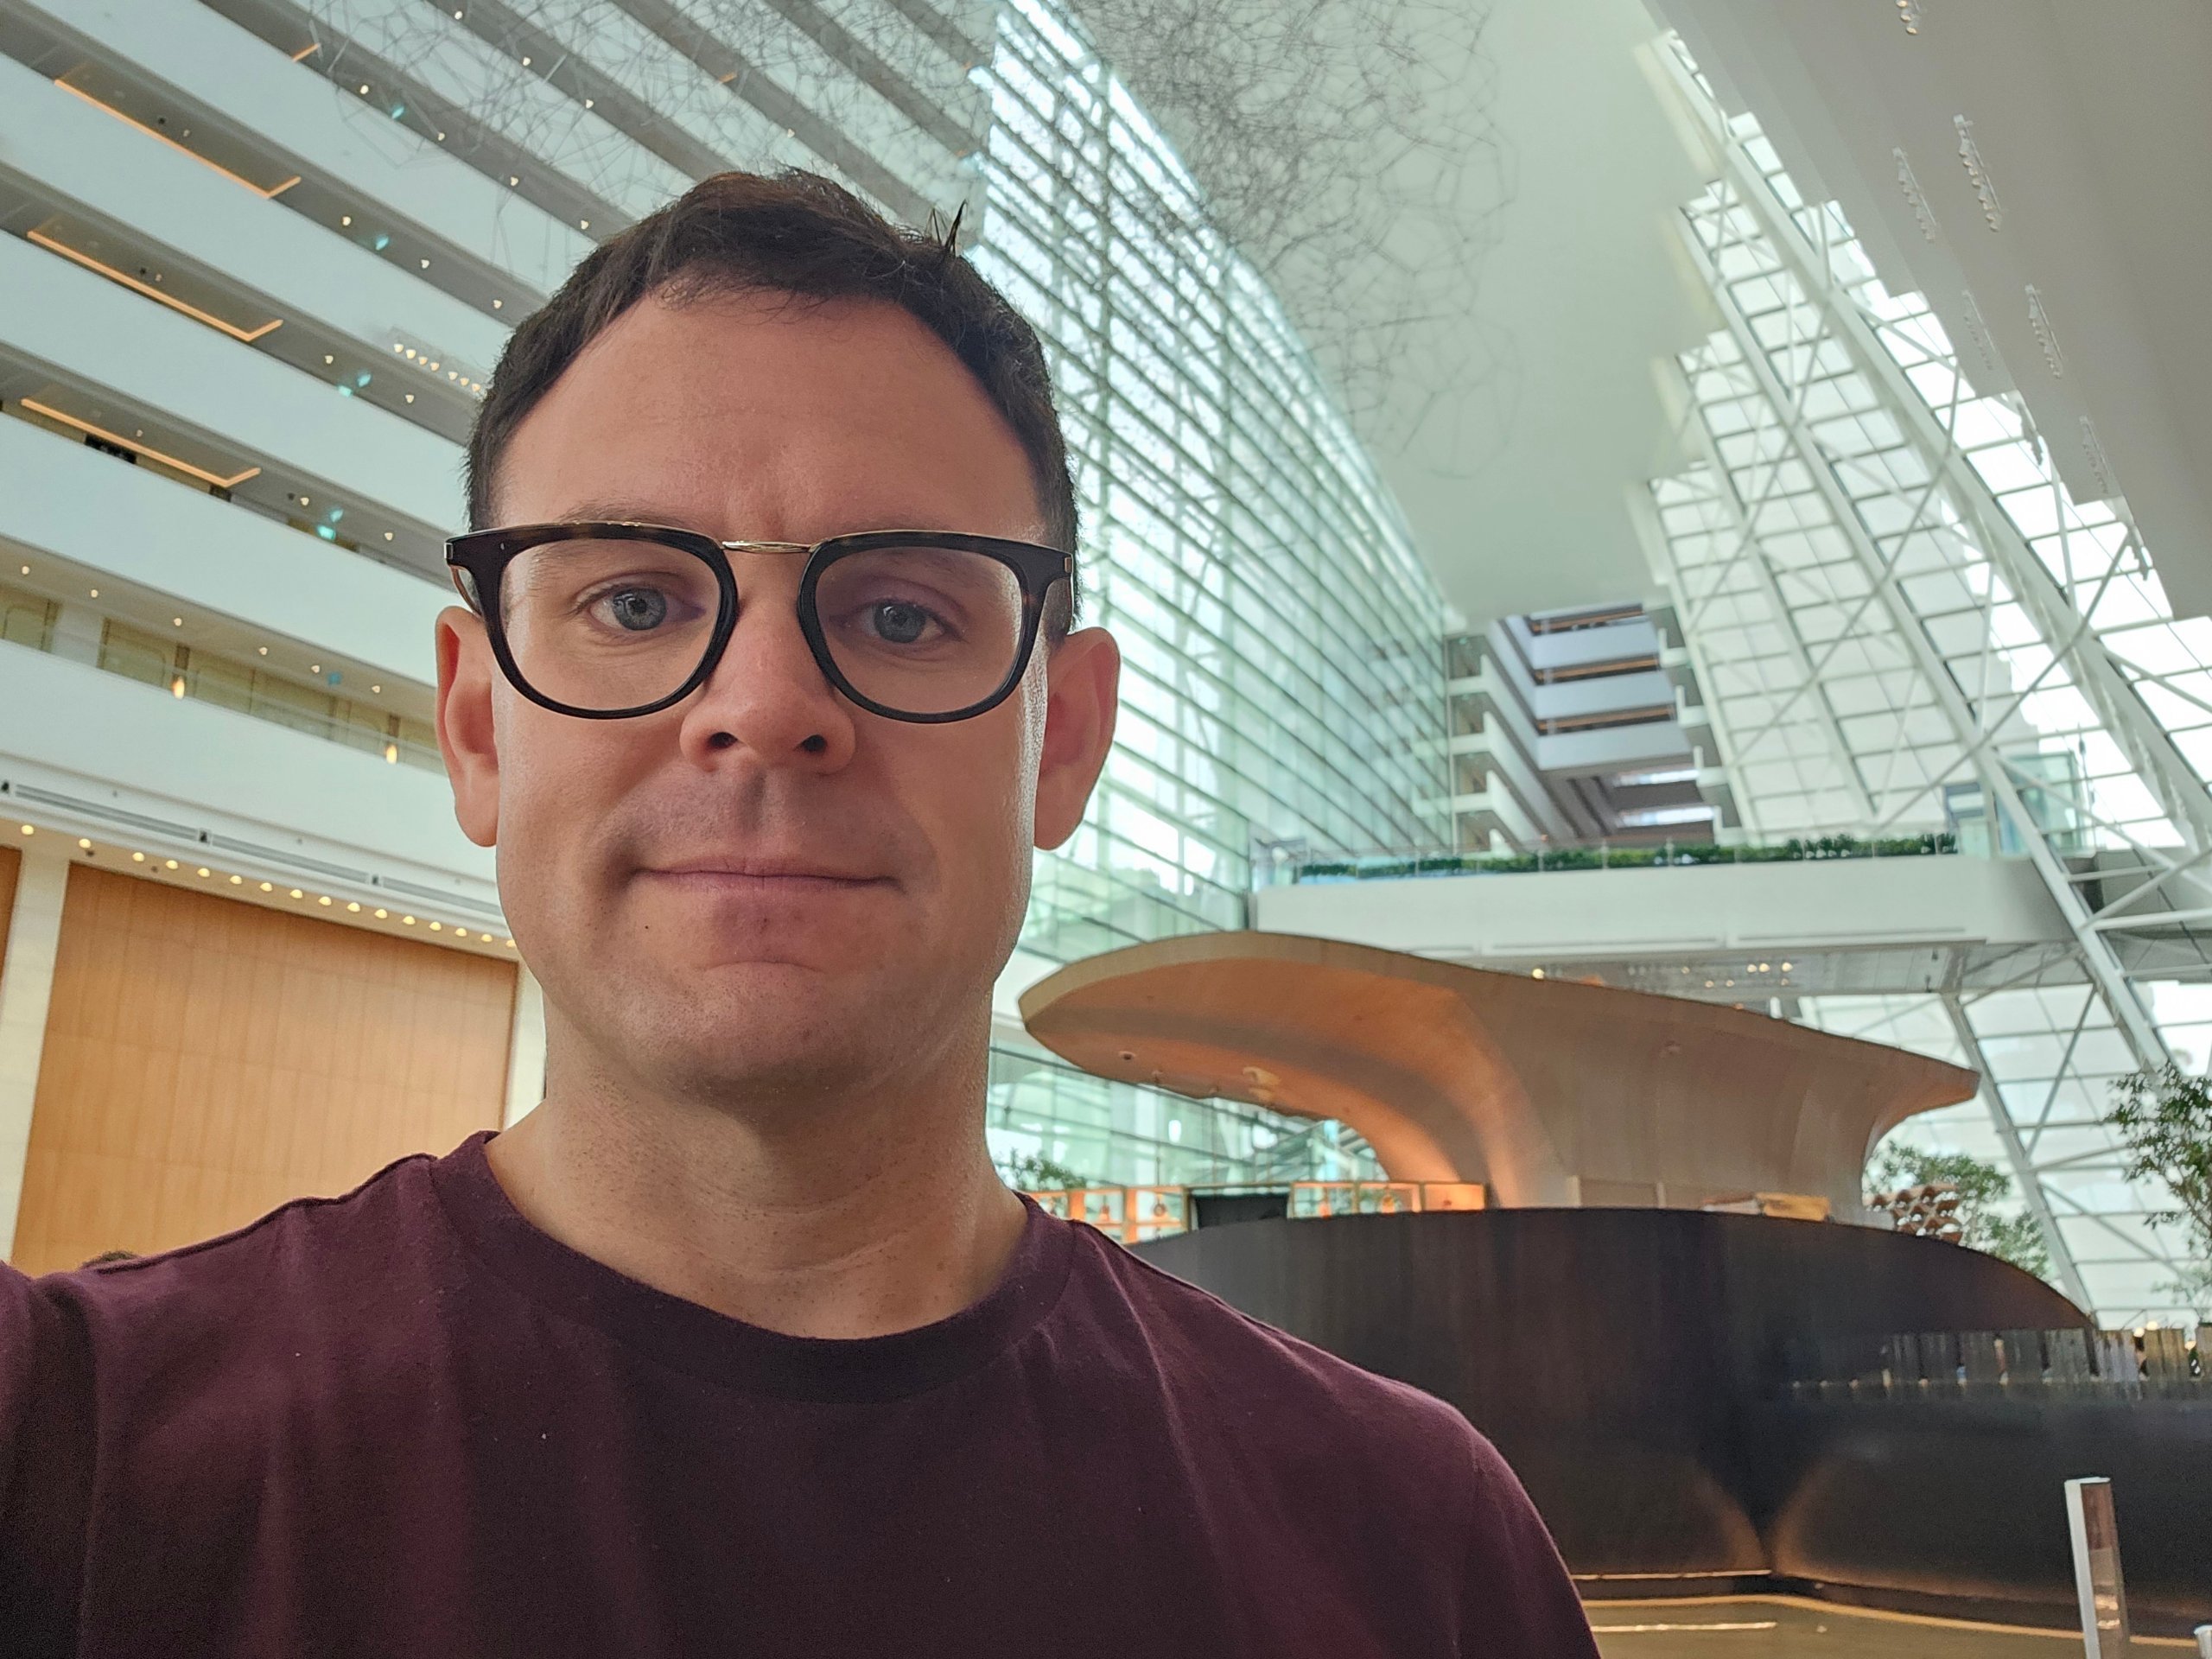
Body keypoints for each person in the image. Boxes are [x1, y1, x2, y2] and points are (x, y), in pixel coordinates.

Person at [0, 170, 1597, 1657]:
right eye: (635, 601)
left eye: (900, 614)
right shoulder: (63, 1457)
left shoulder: (1417, 1546)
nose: (765, 708)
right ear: (479, 728)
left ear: (1065, 741)